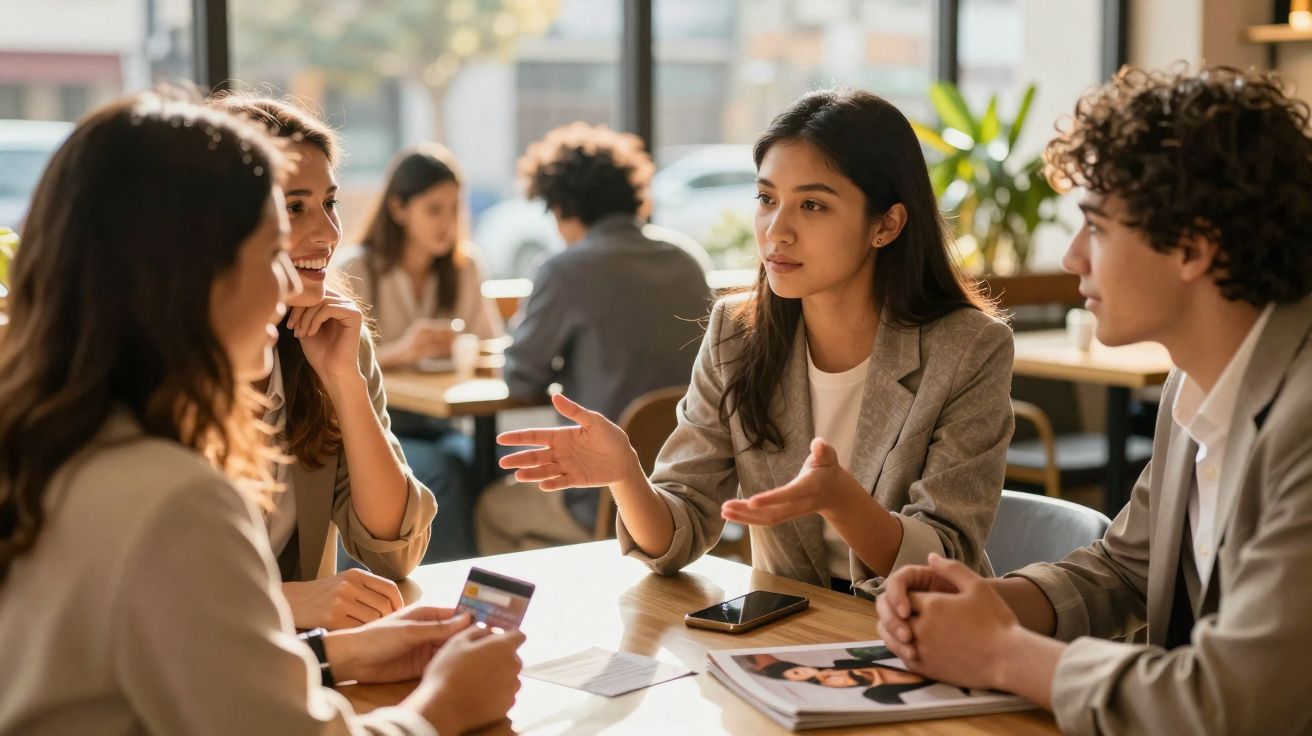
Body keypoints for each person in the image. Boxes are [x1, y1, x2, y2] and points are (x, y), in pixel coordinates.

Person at [0, 91, 523, 735]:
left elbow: (174, 670)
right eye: (271, 247)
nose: (288, 280)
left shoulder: (58, 437)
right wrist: (444, 706)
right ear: (191, 270)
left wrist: (332, 653)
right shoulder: (173, 498)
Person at [875, 66, 1312, 735]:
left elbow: (1236, 700)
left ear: (1193, 246)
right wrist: (989, 606)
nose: (1074, 258)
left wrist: (1001, 652)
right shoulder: (1191, 386)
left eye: (1097, 228)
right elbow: (1125, 568)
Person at [498, 90, 1014, 595]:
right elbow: (678, 533)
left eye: (812, 205)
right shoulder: (736, 333)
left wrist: (841, 500)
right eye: (767, 199)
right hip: (790, 633)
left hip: (928, 639)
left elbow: (946, 560)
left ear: (885, 224)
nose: (776, 231)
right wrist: (626, 475)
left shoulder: (969, 347)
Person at [211, 95, 439, 628]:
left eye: (329, 203)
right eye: (294, 208)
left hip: (301, 657)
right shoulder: (159, 364)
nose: (330, 233)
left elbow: (394, 551)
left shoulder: (332, 337)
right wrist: (288, 602)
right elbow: (138, 593)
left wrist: (345, 381)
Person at [475, 122, 712, 552]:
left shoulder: (567, 270)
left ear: (562, 207)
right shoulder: (687, 260)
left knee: (493, 507)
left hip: (601, 494)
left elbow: (521, 378)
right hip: (696, 491)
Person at [335, 144, 505, 563]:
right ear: (398, 209)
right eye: (434, 209)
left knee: (493, 464)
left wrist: (462, 346)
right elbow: (337, 360)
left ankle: (485, 584)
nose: (448, 223)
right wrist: (400, 351)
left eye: (454, 209)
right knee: (445, 473)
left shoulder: (464, 268)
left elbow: (489, 345)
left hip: (442, 421)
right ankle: (438, 585)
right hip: (380, 424)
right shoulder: (358, 268)